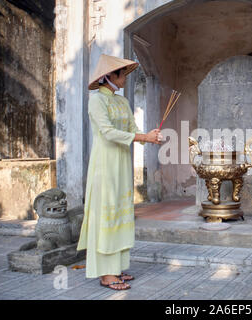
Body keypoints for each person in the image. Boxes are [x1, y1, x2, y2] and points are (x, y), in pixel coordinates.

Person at [76, 54, 163, 290]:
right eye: (122, 73)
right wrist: (142, 137)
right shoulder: (97, 100)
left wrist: (150, 137)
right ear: (109, 76)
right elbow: (107, 132)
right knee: (107, 213)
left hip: (122, 162)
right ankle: (105, 274)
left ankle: (116, 268)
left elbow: (133, 130)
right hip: (104, 164)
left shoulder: (122, 102)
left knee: (120, 213)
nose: (125, 77)